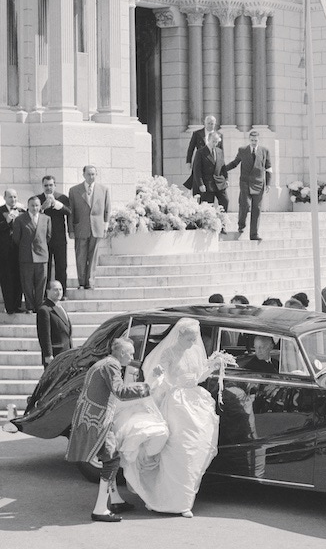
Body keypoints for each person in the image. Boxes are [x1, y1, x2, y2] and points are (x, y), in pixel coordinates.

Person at [116, 318, 229, 517]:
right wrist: (163, 377)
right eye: (189, 339)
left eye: (195, 339)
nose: (193, 343)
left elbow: (199, 376)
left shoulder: (194, 351)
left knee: (196, 450)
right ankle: (170, 501)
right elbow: (157, 382)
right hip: (176, 404)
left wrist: (212, 366)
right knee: (179, 452)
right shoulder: (168, 353)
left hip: (196, 401)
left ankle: (185, 501)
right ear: (179, 336)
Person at [65, 336, 152, 522]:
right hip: (98, 421)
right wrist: (146, 388)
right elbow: (120, 392)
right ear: (121, 353)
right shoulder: (112, 366)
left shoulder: (104, 363)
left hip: (94, 418)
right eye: (130, 353)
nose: (132, 357)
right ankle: (100, 509)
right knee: (111, 460)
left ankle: (116, 500)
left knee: (110, 458)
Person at [223, 129, 271, 240]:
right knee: (245, 205)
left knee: (257, 209)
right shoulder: (242, 150)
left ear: (259, 140)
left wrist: (268, 183)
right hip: (245, 182)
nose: (254, 142)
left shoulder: (265, 151)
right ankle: (241, 225)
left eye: (256, 140)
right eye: (252, 140)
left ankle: (254, 234)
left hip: (259, 183)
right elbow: (235, 163)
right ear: (249, 139)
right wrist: (222, 169)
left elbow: (269, 168)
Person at [68, 165, 109, 290]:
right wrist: (70, 229)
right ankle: (81, 282)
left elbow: (107, 209)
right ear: (83, 175)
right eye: (88, 174)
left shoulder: (103, 189)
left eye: (93, 174)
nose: (91, 177)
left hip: (96, 228)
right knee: (81, 256)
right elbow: (71, 211)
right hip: (81, 227)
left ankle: (90, 281)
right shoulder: (74, 190)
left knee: (93, 256)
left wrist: (105, 226)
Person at [12, 195, 51, 312]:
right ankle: (29, 306)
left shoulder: (46, 218)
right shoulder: (20, 219)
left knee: (41, 283)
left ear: (40, 206)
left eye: (37, 205)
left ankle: (39, 306)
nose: (34, 208)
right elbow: (16, 238)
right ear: (28, 206)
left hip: (42, 255)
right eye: (32, 205)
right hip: (26, 256)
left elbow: (48, 236)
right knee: (27, 283)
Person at [37, 175, 72, 299]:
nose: (48, 187)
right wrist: (42, 208)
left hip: (59, 238)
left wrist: (58, 205)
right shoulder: (38, 199)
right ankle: (45, 294)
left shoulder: (62, 198)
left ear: (55, 185)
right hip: (43, 239)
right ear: (43, 186)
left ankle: (63, 293)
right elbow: (32, 213)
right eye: (46, 185)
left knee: (61, 266)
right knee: (45, 268)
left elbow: (69, 212)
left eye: (51, 185)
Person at [190, 129, 229, 214]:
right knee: (208, 207)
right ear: (208, 140)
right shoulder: (200, 152)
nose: (215, 144)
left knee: (225, 201)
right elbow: (197, 170)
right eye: (213, 141)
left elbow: (223, 167)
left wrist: (226, 179)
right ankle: (210, 225)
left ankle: (222, 223)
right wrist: (200, 184)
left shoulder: (219, 151)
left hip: (219, 183)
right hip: (207, 184)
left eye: (216, 142)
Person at [36, 280, 72, 366]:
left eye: (60, 289)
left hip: (66, 354)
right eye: (55, 290)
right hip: (55, 355)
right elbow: (44, 335)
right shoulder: (44, 310)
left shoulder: (60, 307)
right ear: (48, 291)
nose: (59, 292)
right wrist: (48, 354)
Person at [0, 189, 21, 314]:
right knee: (7, 278)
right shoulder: (0, 210)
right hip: (4, 252)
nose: (13, 200)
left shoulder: (22, 210)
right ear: (5, 197)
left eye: (15, 197)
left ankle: (17, 305)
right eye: (10, 197)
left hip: (19, 250)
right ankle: (9, 307)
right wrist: (6, 222)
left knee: (18, 278)